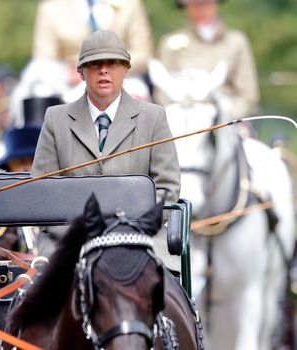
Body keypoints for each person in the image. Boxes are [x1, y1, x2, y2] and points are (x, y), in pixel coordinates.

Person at [31, 29, 181, 270]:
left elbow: (167, 189)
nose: (103, 70)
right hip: (70, 241)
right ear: (80, 72)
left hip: (141, 239)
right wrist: (82, 233)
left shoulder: (153, 118)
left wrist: (126, 232)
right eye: (94, 64)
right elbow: (43, 189)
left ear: (126, 70)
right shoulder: (56, 119)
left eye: (113, 63)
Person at [155, 0, 259, 120]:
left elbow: (248, 94)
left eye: (205, 4)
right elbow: (161, 93)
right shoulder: (170, 43)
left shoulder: (236, 42)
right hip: (181, 117)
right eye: (194, 5)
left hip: (226, 118)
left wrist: (227, 115)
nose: (200, 10)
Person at [31, 0, 154, 101]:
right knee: (41, 93)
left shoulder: (130, 4)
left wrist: (107, 68)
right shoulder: (50, 8)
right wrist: (72, 74)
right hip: (69, 83)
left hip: (122, 79)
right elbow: (43, 60)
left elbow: (143, 54)